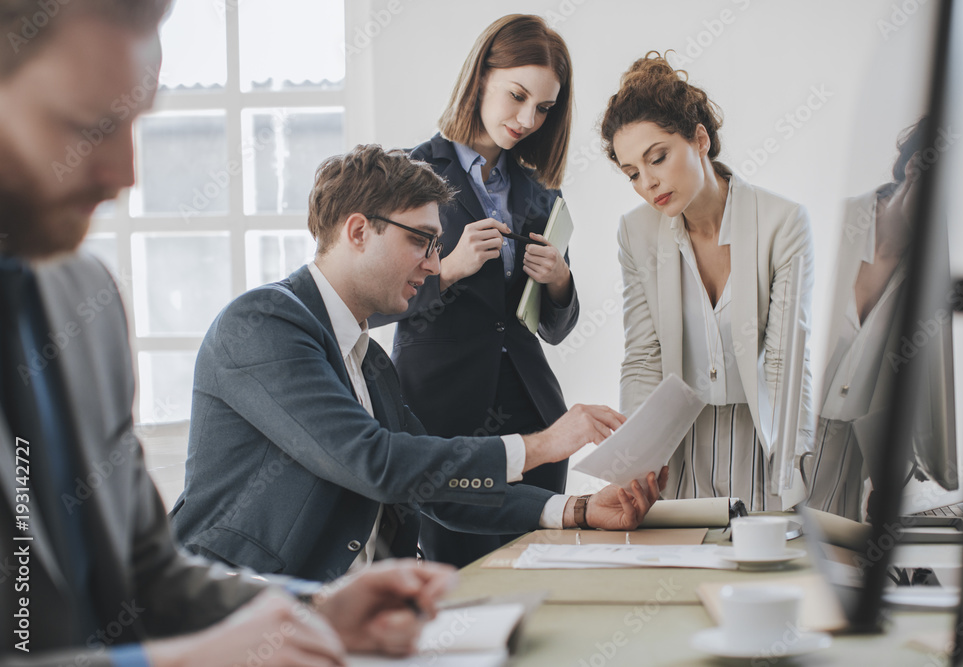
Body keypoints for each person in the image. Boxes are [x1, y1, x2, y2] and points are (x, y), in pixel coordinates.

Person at [0, 2, 458, 666]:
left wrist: (315, 609)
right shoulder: (264, 324)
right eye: (86, 127)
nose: (125, 174)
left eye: (132, 124)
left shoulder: (87, 300)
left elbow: (149, 572)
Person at [170, 144, 664, 581]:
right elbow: (373, 461)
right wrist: (544, 445)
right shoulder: (263, 323)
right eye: (422, 241)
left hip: (350, 620)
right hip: (243, 614)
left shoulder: (372, 365)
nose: (433, 263)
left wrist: (577, 509)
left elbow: (435, 490)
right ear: (359, 231)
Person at [368, 14, 582, 568]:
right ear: (481, 76)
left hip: (534, 410)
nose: (527, 118)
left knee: (539, 573)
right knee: (457, 584)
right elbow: (368, 302)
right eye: (517, 95)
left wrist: (558, 280)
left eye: (543, 107)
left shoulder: (538, 191)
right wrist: (450, 269)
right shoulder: (408, 173)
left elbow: (553, 328)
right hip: (442, 413)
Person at [600, 52, 814, 511]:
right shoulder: (635, 233)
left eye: (657, 158)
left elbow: (783, 360)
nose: (648, 182)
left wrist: (792, 459)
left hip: (763, 434)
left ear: (700, 140)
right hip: (681, 445)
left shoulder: (783, 222)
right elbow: (643, 358)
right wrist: (635, 461)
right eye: (632, 173)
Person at [805, 118, 958, 521]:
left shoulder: (928, 279)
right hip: (776, 444)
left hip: (848, 462)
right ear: (914, 168)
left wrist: (890, 478)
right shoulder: (829, 223)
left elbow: (921, 395)